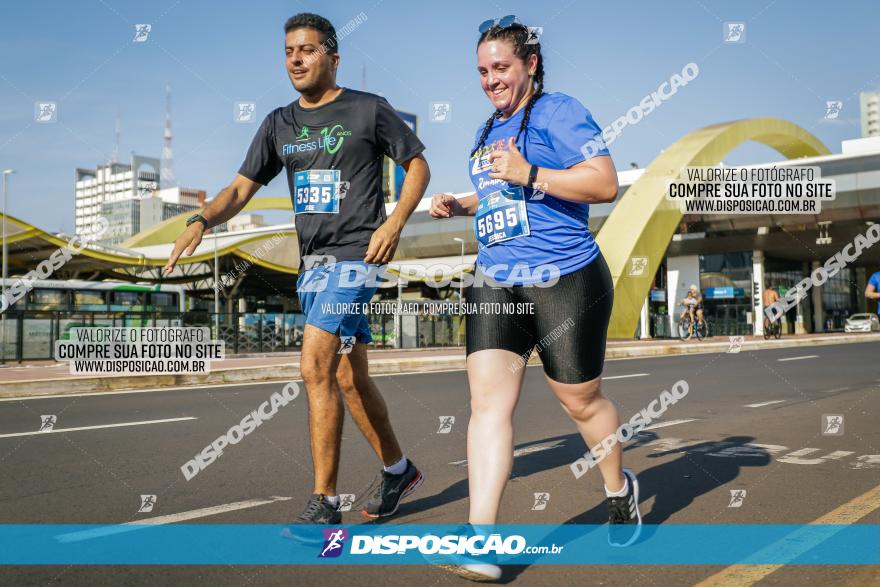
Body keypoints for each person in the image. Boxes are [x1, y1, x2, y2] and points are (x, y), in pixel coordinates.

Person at [164, 13, 430, 524]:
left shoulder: (368, 110)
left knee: (313, 366)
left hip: (357, 257)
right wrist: (201, 219)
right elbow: (241, 189)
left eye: (307, 50)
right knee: (350, 379)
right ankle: (398, 469)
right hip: (312, 266)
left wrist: (394, 223)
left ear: (333, 55)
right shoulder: (278, 124)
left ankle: (324, 502)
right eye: (288, 52)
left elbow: (417, 164)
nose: (296, 60)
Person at [429, 15, 639, 581]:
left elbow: (602, 182)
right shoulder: (486, 128)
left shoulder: (560, 112)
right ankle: (481, 540)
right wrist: (463, 202)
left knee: (581, 403)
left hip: (566, 277)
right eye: (482, 70)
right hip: (497, 278)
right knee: (487, 406)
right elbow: (505, 193)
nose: (490, 80)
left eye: (501, 67)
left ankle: (618, 488)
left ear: (530, 65)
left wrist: (530, 171)